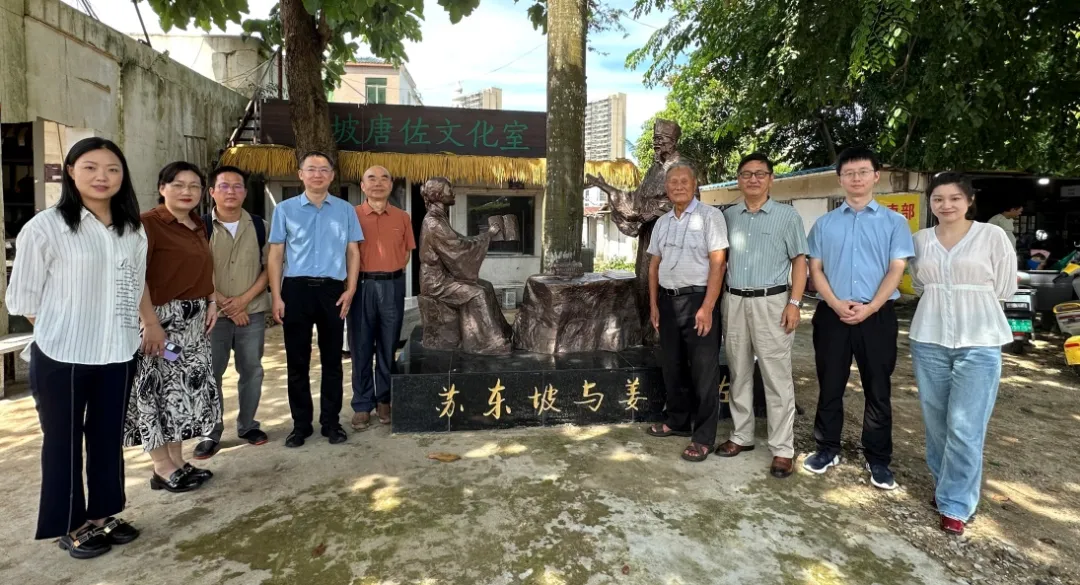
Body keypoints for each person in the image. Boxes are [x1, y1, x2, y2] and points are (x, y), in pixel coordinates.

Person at [6, 137, 144, 559]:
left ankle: (103, 513)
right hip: (62, 355)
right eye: (90, 167)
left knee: (106, 437)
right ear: (70, 171)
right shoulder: (46, 227)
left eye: (112, 169)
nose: (102, 176)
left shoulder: (131, 229)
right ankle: (70, 524)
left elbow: (134, 285)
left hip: (118, 352)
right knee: (62, 442)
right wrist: (64, 327)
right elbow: (24, 299)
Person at [909, 172, 1016, 536]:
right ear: (931, 203)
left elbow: (1004, 286)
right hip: (929, 339)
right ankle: (945, 486)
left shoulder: (992, 236)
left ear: (969, 200)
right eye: (938, 199)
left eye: (955, 198)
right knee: (937, 422)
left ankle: (956, 503)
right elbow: (919, 283)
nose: (946, 205)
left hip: (980, 340)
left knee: (966, 425)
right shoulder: (921, 240)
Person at [804, 147, 915, 490]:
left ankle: (878, 458)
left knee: (877, 388)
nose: (856, 178)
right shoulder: (824, 224)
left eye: (863, 172)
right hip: (832, 315)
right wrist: (836, 304)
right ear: (840, 179)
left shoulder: (895, 223)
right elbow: (815, 269)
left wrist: (871, 307)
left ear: (875, 176)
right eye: (849, 173)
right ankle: (827, 448)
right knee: (830, 384)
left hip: (877, 316)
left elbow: (897, 269)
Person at [124, 161, 220, 493]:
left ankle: (177, 461)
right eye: (178, 184)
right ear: (162, 188)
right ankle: (161, 467)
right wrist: (149, 322)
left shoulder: (198, 224)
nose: (186, 191)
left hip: (193, 323)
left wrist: (211, 300)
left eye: (194, 186)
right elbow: (135, 276)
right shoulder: (146, 224)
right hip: (161, 322)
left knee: (180, 394)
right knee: (156, 390)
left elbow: (204, 268)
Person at [717, 153, 809, 478]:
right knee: (739, 370)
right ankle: (741, 435)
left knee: (776, 375)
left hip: (773, 303)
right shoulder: (728, 216)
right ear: (738, 180)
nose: (753, 179)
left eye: (760, 173)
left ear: (771, 178)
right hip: (734, 301)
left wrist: (794, 303)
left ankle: (783, 449)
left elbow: (799, 261)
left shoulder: (787, 216)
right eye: (746, 174)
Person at [268, 151, 363, 447]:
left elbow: (353, 252)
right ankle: (300, 426)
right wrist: (276, 296)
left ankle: (331, 423)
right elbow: (276, 254)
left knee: (333, 360)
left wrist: (350, 289)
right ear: (301, 174)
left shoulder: (345, 210)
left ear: (332, 176)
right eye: (311, 169)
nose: (317, 174)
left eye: (324, 169)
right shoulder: (285, 210)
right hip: (295, 290)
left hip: (332, 290)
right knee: (297, 361)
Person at [643, 162, 728, 462]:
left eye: (684, 181)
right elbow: (654, 265)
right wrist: (654, 305)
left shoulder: (710, 217)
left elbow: (719, 263)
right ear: (666, 188)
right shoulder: (662, 222)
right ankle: (677, 420)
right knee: (672, 366)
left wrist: (708, 307)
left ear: (695, 185)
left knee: (704, 371)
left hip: (698, 301)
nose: (678, 186)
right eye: (673, 182)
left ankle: (703, 437)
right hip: (668, 302)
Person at [192, 166, 270, 460]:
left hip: (252, 312)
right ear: (212, 192)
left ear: (245, 193)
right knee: (211, 373)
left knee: (252, 370)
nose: (231, 191)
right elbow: (197, 271)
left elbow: (270, 268)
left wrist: (243, 301)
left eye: (237, 186)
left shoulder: (261, 226)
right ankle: (210, 432)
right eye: (224, 186)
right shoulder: (199, 228)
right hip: (212, 315)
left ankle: (248, 425)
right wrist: (225, 303)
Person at [348, 166, 415, 430]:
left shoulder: (402, 217)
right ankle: (362, 403)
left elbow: (406, 252)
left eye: (384, 178)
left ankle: (384, 399)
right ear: (362, 186)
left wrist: (390, 271)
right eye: (371, 179)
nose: (378, 183)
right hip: (361, 286)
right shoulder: (351, 215)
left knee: (388, 345)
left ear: (391, 185)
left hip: (392, 286)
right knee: (361, 346)